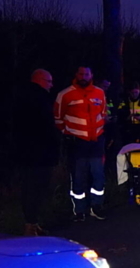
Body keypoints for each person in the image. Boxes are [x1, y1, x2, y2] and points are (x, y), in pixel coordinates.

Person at [54, 66, 108, 221]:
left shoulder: (99, 92)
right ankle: (79, 210)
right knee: (78, 177)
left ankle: (96, 206)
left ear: (91, 75)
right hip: (77, 143)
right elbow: (58, 118)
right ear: (76, 75)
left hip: (96, 142)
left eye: (86, 74)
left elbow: (103, 113)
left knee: (98, 176)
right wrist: (70, 133)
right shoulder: (65, 94)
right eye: (81, 74)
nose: (84, 76)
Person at [14, 69, 59, 235]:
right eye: (49, 81)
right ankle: (30, 225)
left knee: (31, 189)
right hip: (38, 155)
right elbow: (46, 128)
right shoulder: (39, 99)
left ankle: (32, 223)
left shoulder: (23, 97)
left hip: (28, 153)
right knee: (34, 190)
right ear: (40, 80)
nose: (51, 85)